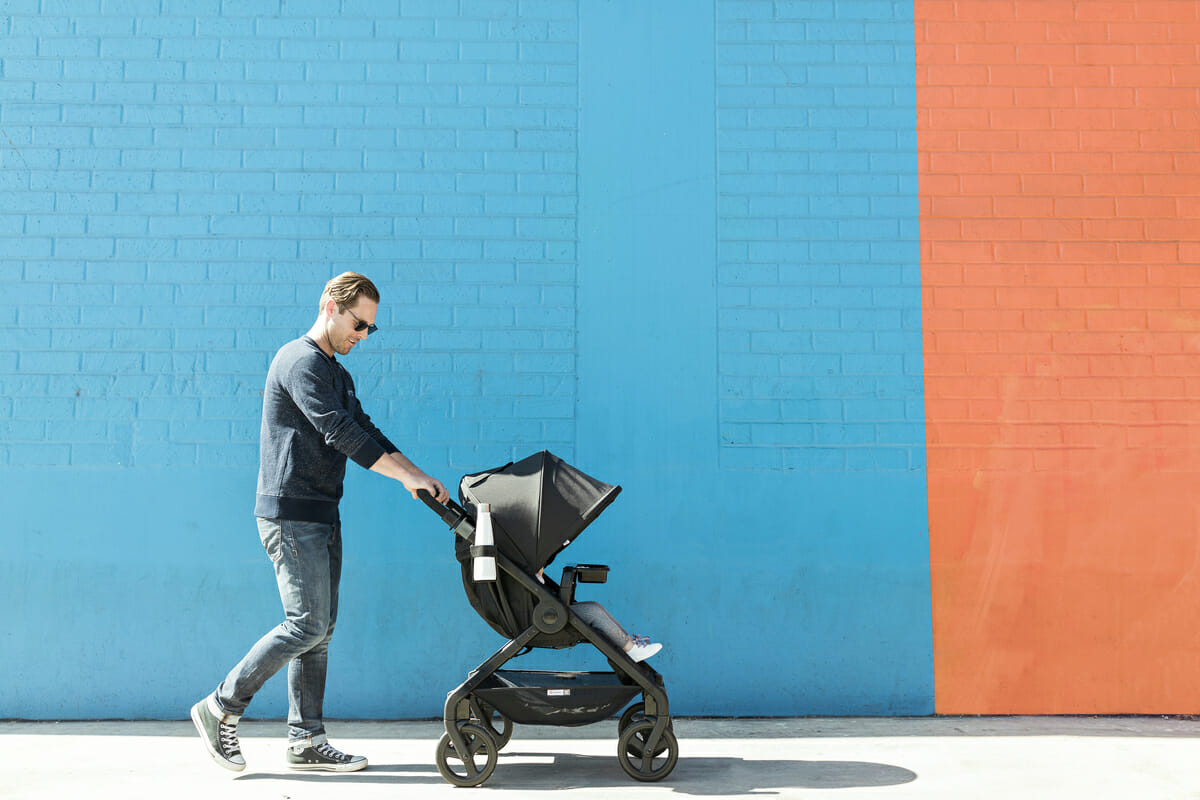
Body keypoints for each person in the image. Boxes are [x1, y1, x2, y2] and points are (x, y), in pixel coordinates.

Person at [191, 272, 449, 774]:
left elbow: (364, 427)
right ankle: (221, 704)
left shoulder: (338, 373)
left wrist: (416, 474)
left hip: (320, 512)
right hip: (289, 514)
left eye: (370, 329)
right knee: (306, 623)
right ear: (330, 306)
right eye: (359, 324)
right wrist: (401, 478)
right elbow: (339, 433)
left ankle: (306, 739)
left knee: (320, 629)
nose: (363, 336)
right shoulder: (299, 361)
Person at [535, 570, 662, 662]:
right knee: (592, 611)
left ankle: (629, 643)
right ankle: (631, 649)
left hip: (547, 613)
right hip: (544, 620)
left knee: (595, 606)